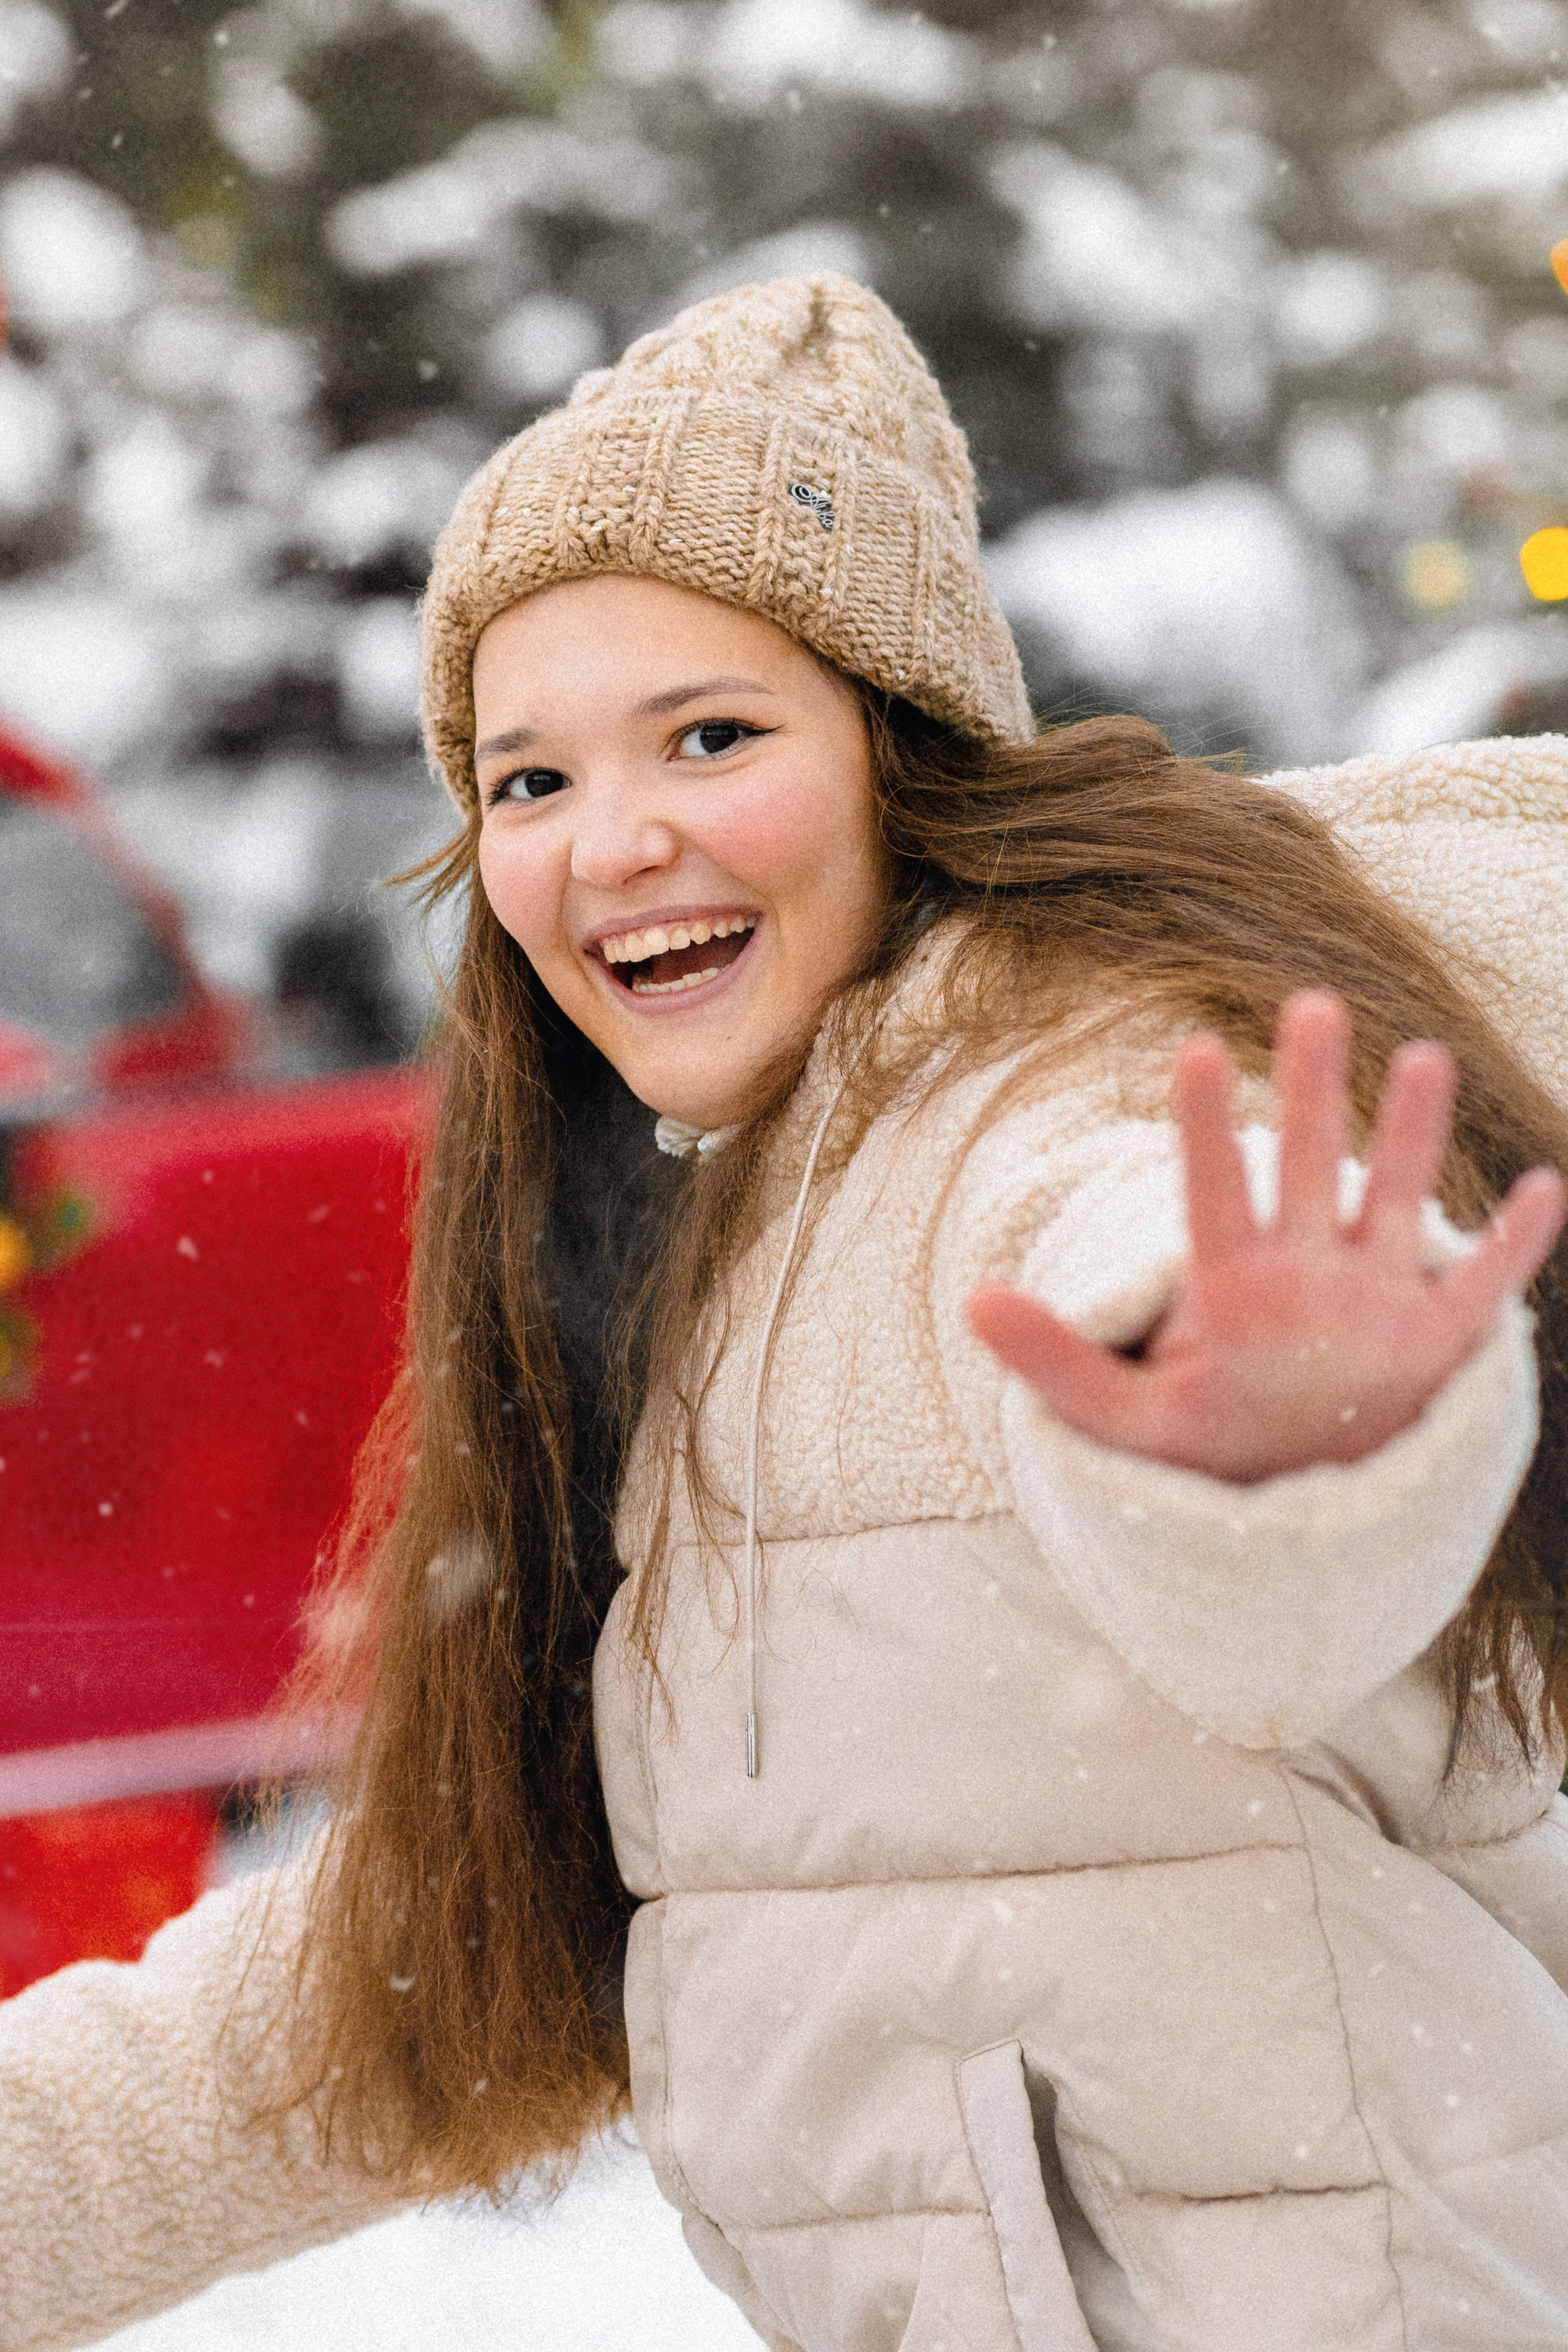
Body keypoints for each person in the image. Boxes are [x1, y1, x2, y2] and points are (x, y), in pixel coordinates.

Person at [6, 274, 1568, 2352]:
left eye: (711, 736)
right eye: (527, 779)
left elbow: (1234, 1504)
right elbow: (418, 1984)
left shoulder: (1049, 1090)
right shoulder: (703, 1275)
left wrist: (1289, 1448)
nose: (607, 840)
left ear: (899, 756)